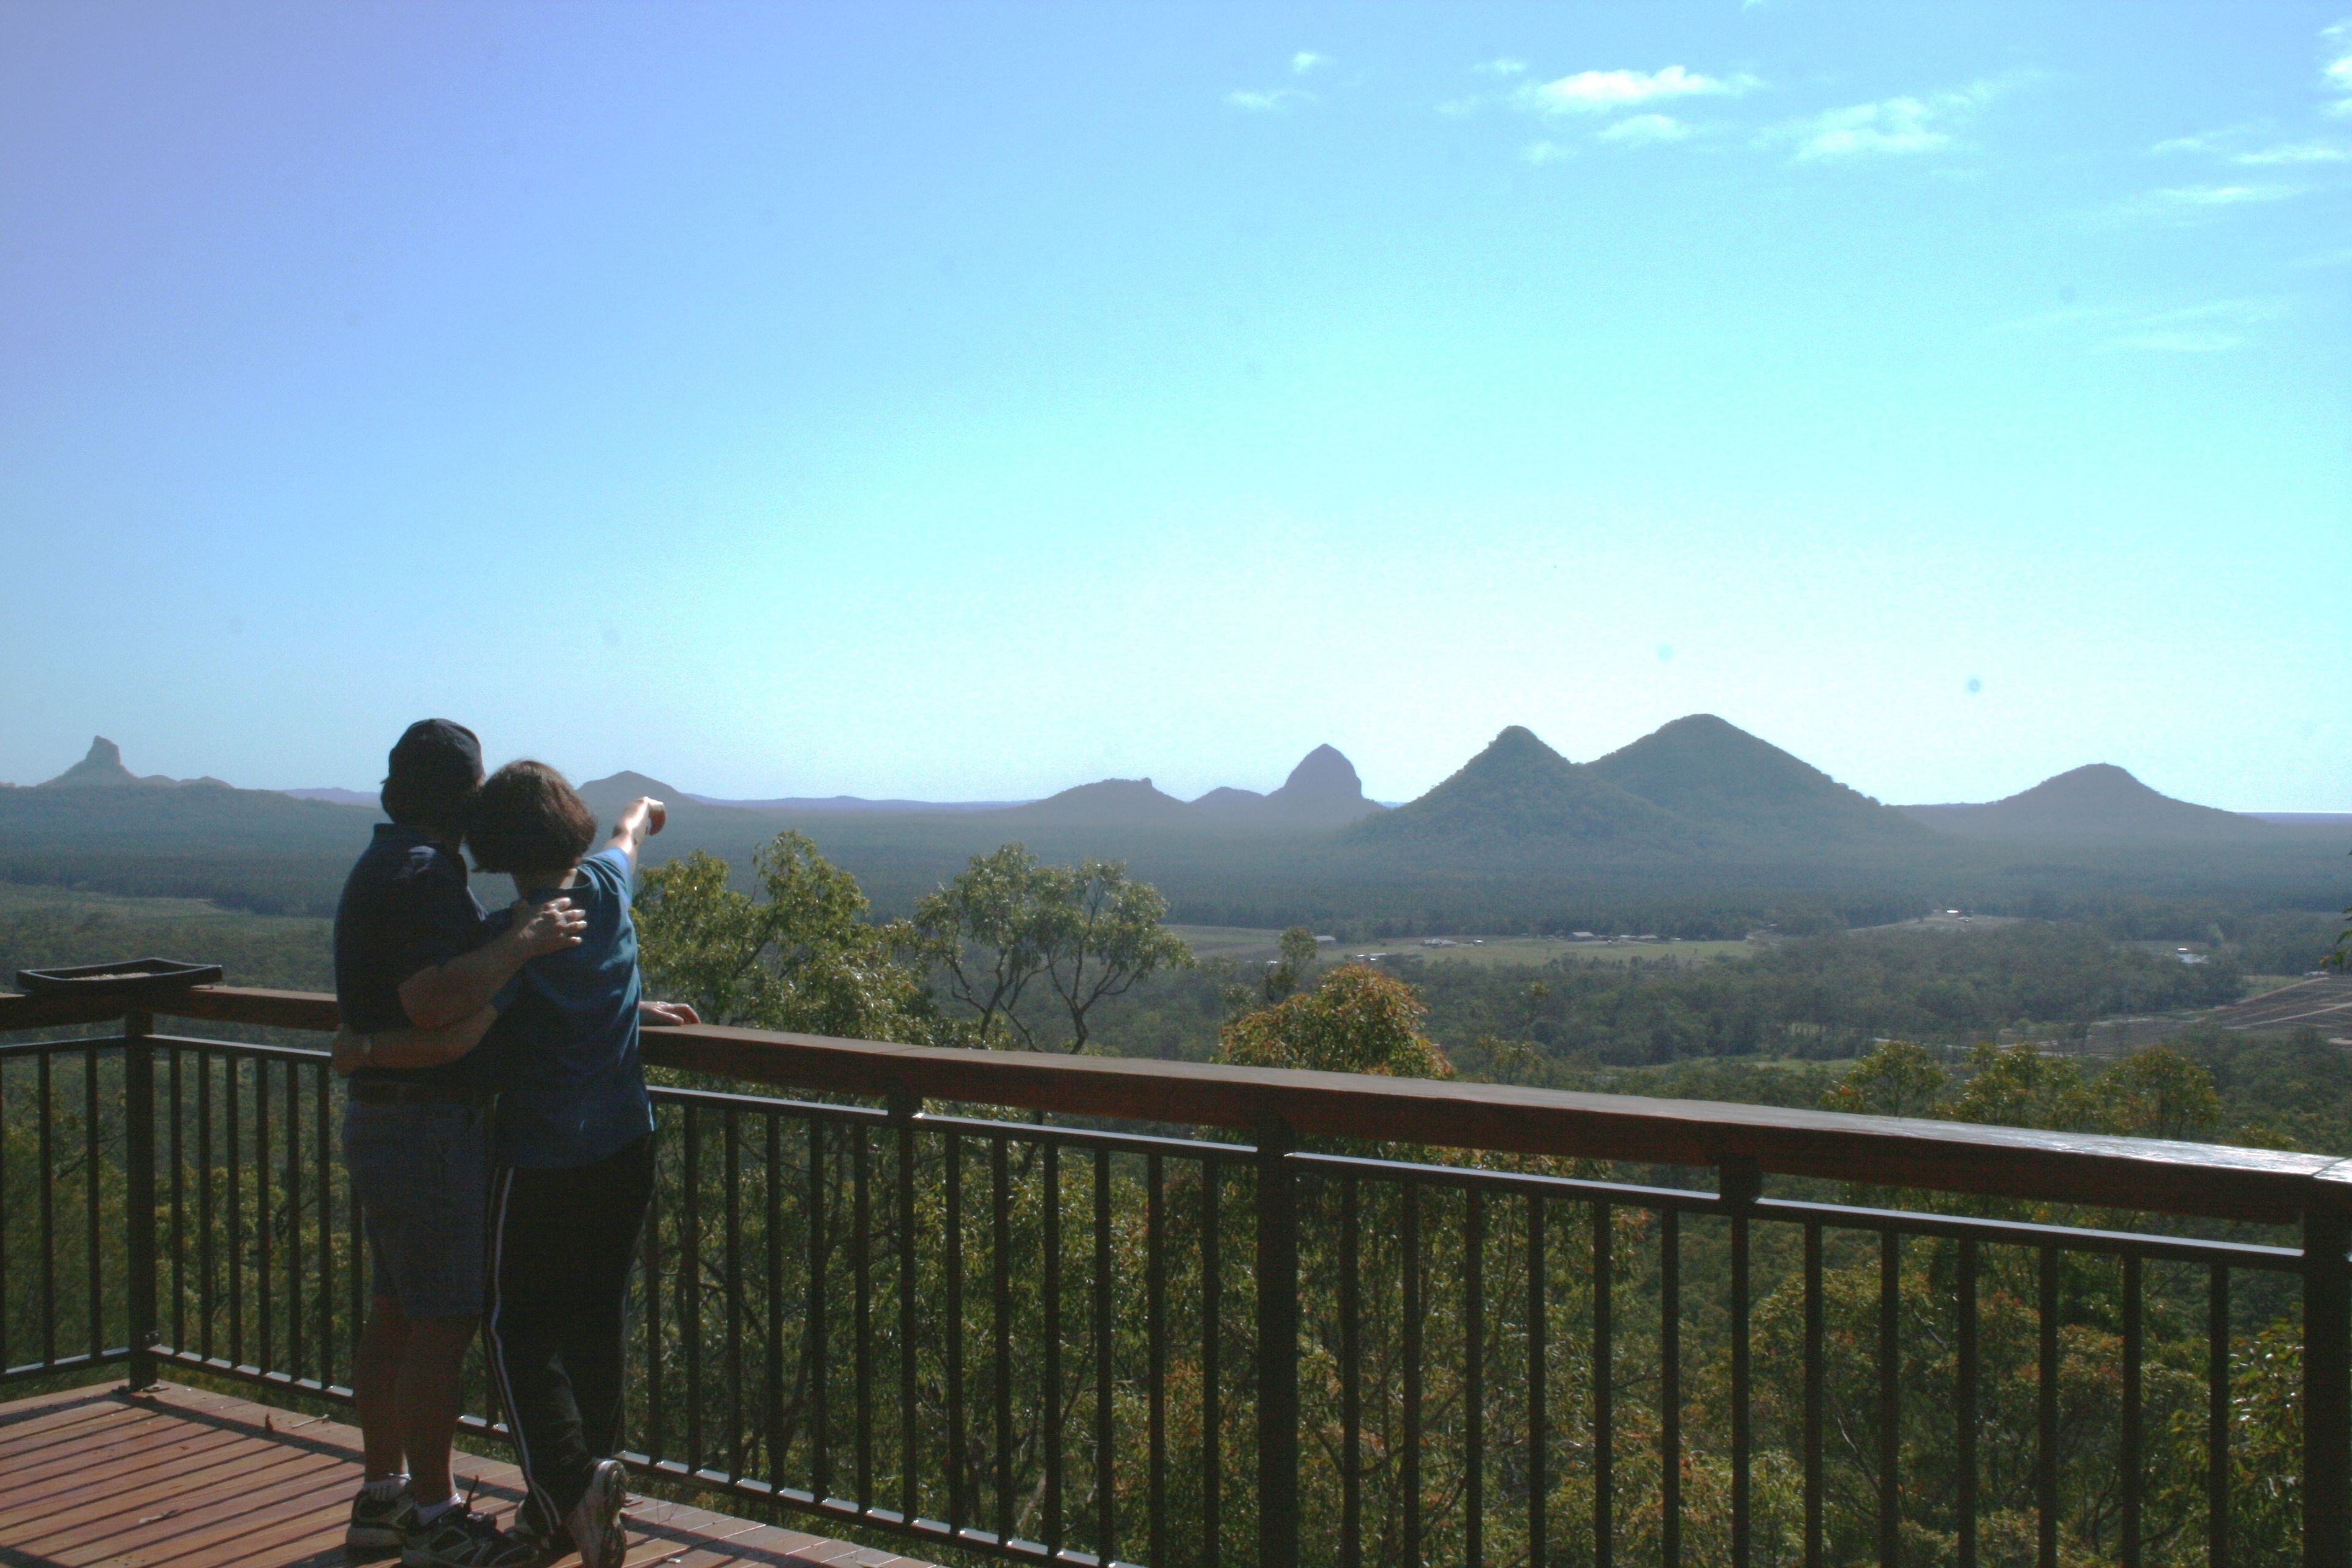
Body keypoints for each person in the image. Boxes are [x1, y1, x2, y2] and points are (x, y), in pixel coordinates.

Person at [352, 760, 695, 1568]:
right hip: (626, 1145)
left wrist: (362, 1049)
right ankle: (579, 1498)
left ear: (497, 848)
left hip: (543, 1159)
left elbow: (457, 1035)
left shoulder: (514, 937)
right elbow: (626, 839)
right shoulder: (607, 892)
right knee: (593, 1323)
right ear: (568, 824)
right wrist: (643, 811)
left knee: (516, 1330)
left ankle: (569, 1487)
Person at [333, 720, 586, 1568]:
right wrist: (525, 941)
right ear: (464, 796)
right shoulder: (417, 873)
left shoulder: (395, 864)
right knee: (444, 1320)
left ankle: (380, 1501)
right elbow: (435, 1001)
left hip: (390, 1116)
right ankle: (435, 1517)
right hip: (425, 1127)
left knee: (397, 1312)